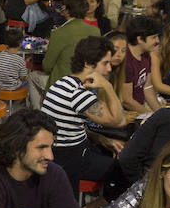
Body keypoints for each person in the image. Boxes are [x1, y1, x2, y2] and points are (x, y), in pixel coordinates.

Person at [41, 36, 123, 191]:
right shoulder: (78, 94)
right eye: (105, 63)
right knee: (124, 168)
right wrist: (108, 86)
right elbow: (118, 120)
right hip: (70, 160)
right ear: (87, 63)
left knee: (108, 150)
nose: (109, 69)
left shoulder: (62, 82)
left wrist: (101, 138)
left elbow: (69, 127)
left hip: (58, 153)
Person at [42, 0, 98, 86]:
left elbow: (47, 67)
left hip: (61, 84)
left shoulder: (58, 33)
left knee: (33, 77)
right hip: (86, 84)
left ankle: (45, 100)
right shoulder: (95, 31)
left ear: (67, 11)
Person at [122, 16, 163, 114]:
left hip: (139, 111)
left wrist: (160, 113)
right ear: (140, 39)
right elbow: (127, 101)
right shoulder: (126, 61)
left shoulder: (146, 55)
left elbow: (147, 87)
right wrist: (150, 117)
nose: (157, 41)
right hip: (125, 114)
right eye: (153, 37)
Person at [0, 26, 29, 93]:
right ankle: (24, 102)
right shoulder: (20, 60)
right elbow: (23, 77)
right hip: (13, 87)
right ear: (20, 44)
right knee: (28, 81)